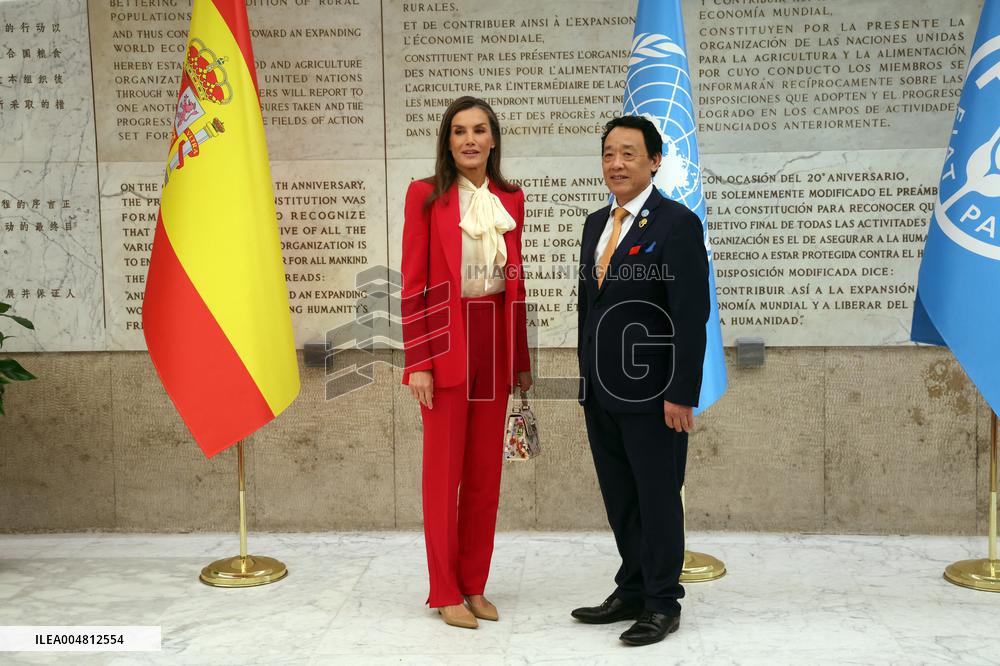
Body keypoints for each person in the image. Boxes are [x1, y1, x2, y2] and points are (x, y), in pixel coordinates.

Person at [571, 115, 709, 646]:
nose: (616, 163)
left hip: (654, 395)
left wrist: (681, 391)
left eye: (629, 153)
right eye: (608, 153)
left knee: (656, 496)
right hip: (601, 392)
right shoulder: (594, 224)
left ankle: (661, 602)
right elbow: (591, 307)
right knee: (620, 498)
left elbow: (690, 314)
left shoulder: (676, 224)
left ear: (655, 161)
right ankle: (631, 586)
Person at [400, 96, 532, 630]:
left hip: (494, 341)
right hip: (446, 343)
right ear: (447, 141)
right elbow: (413, 285)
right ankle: (444, 589)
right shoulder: (425, 196)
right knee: (443, 476)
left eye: (479, 130)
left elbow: (516, 283)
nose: (470, 140)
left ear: (494, 139)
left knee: (484, 476)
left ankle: (474, 584)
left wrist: (519, 358)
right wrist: (419, 362)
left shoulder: (511, 198)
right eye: (459, 131)